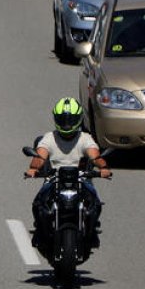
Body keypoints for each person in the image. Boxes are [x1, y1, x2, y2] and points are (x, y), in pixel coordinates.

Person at [24, 97, 111, 253]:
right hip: (54, 179)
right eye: (63, 119)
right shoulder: (49, 138)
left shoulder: (85, 138)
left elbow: (94, 155)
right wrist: (33, 168)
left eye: (70, 119)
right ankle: (40, 232)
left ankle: (91, 233)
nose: (66, 123)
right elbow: (40, 156)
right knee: (38, 203)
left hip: (81, 179)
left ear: (77, 119)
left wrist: (103, 168)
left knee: (95, 203)